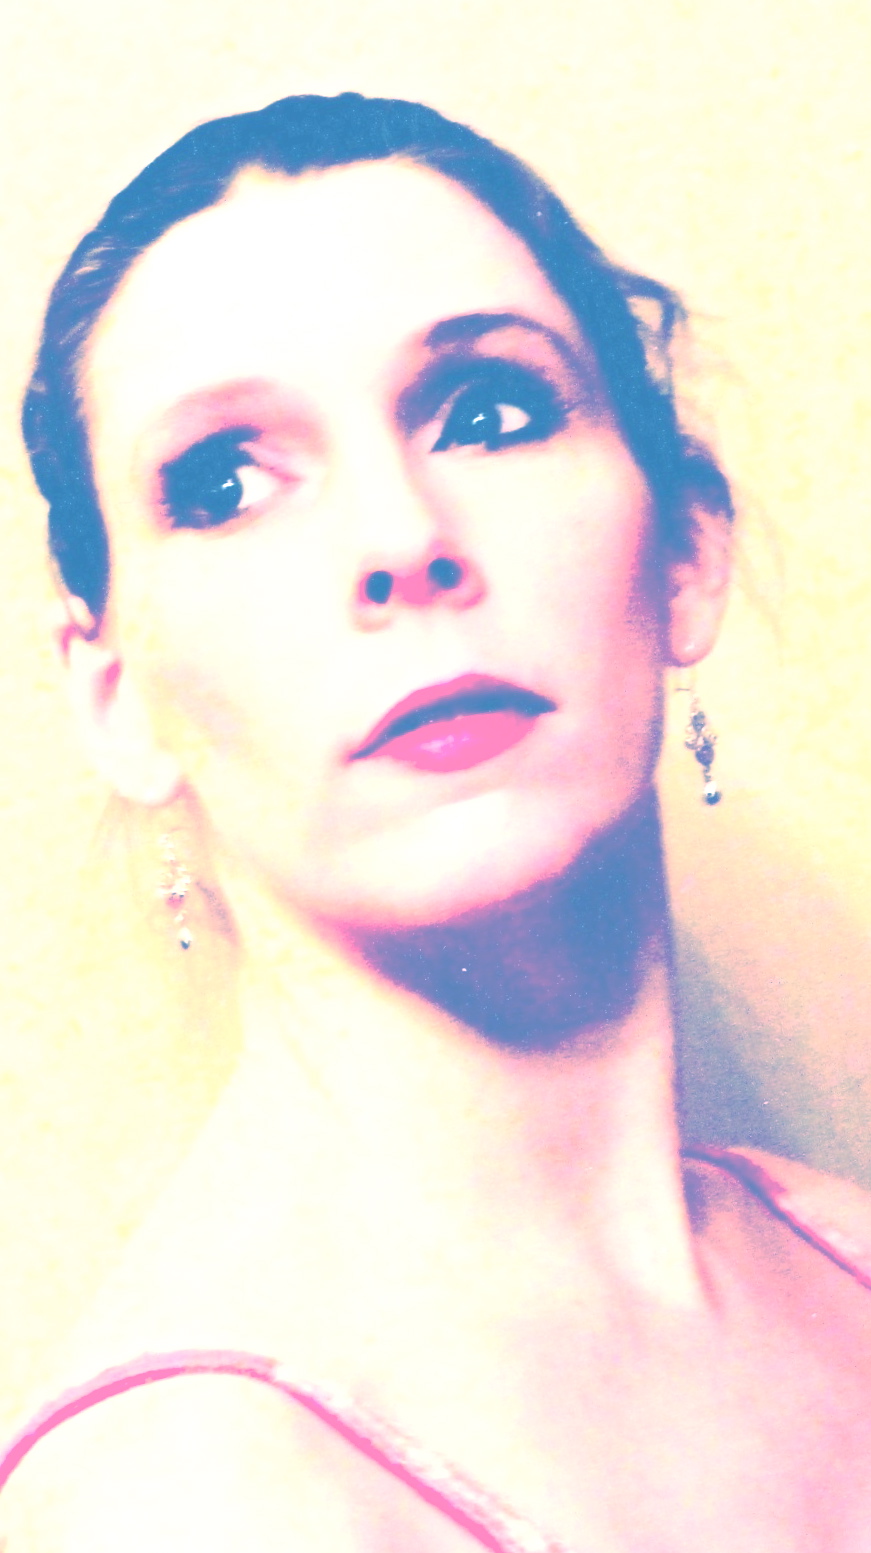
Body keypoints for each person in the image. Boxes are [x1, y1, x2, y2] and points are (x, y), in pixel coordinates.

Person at [2, 92, 870, 1551]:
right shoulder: (181, 1507)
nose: (403, 538)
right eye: (225, 483)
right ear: (118, 697)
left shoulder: (839, 1251)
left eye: (490, 413)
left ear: (684, 547)